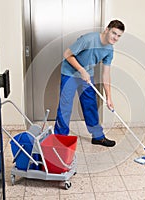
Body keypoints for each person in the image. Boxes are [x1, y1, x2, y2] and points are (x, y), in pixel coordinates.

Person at [54, 19, 125, 147]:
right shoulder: (88, 39)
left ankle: (98, 137)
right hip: (70, 73)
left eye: (119, 36)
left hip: (87, 75)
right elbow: (67, 54)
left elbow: (106, 74)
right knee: (65, 106)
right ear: (107, 30)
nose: (115, 38)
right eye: (114, 33)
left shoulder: (109, 50)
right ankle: (60, 139)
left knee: (90, 105)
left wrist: (109, 97)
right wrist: (81, 70)